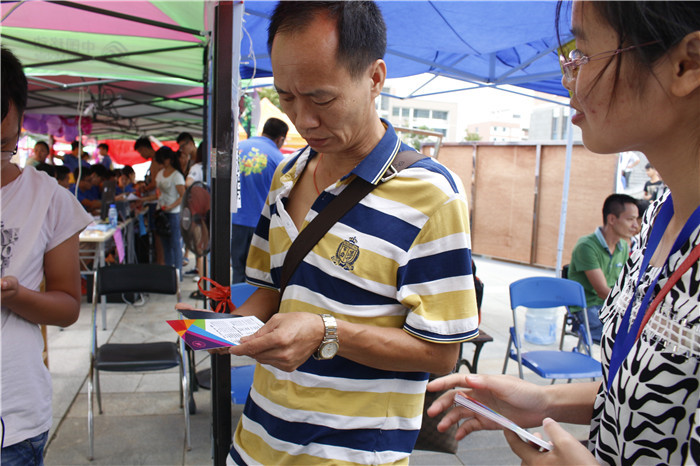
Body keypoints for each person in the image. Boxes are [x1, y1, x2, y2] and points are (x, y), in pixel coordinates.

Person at [427, 2, 700, 464]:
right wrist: (545, 401)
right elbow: (652, 396)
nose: (569, 77)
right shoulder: (656, 220)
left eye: (584, 53)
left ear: (686, 64)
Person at [210, 3, 478, 464]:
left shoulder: (433, 197)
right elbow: (270, 292)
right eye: (286, 98)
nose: (303, 119)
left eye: (321, 99)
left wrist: (324, 332)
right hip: (255, 441)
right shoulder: (287, 176)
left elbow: (440, 354)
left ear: (375, 78)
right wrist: (221, 331)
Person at [0, 47, 93, 465]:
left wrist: (15, 295)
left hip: (13, 419)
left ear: (20, 123)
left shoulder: (48, 200)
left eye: (3, 144)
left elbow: (68, 306)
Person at [568, 194, 639, 342]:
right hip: (588, 307)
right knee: (625, 339)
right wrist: (632, 307)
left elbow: (625, 284)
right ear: (612, 219)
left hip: (611, 304)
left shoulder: (624, 246)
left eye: (636, 219)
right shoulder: (586, 246)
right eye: (630, 219)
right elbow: (602, 291)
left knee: (639, 332)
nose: (636, 226)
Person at [230, 117, 288, 284]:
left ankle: (237, 299)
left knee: (237, 269)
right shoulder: (279, 159)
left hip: (235, 220)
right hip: (263, 225)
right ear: (280, 139)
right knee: (258, 274)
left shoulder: (238, 149)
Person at [154, 146, 185, 279]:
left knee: (175, 244)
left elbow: (183, 196)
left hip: (173, 213)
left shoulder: (177, 176)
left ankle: (177, 273)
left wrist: (171, 206)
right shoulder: (160, 173)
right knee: (165, 243)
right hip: (161, 211)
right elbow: (157, 191)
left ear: (170, 159)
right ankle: (169, 273)